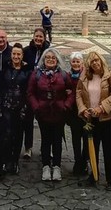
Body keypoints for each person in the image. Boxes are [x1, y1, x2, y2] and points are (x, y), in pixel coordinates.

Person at [77, 51, 111, 190]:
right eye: (92, 61)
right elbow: (78, 93)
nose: (95, 63)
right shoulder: (84, 77)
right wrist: (83, 109)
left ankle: (110, 179)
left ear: (101, 61)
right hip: (91, 119)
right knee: (91, 150)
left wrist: (101, 107)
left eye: (97, 60)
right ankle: (93, 175)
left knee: (109, 150)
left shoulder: (110, 75)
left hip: (107, 119)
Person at [27, 48, 70, 182]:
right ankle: (46, 166)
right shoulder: (37, 74)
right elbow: (30, 92)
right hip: (43, 112)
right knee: (45, 140)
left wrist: (66, 105)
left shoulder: (63, 74)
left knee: (57, 140)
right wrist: (36, 106)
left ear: (57, 60)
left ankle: (56, 166)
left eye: (53, 58)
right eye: (47, 58)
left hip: (59, 112)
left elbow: (72, 91)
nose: (50, 60)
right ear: (43, 60)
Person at [0, 43, 29, 174]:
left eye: (18, 54)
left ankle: (15, 161)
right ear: (11, 55)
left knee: (18, 135)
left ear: (22, 56)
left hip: (20, 107)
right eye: (14, 54)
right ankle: (5, 161)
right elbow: (0, 85)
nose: (16, 56)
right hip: (6, 105)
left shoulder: (27, 69)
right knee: (6, 134)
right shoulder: (5, 67)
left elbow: (28, 90)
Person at [22, 27, 50, 159]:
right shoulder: (26, 51)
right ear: (33, 37)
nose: (38, 39)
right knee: (28, 120)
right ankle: (28, 147)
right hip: (29, 90)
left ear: (44, 38)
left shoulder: (49, 51)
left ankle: (47, 147)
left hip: (44, 91)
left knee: (45, 121)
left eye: (41, 37)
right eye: (36, 36)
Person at [66, 52, 87, 176]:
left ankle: (84, 161)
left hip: (85, 111)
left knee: (86, 137)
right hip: (73, 112)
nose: (75, 63)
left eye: (78, 61)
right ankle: (77, 160)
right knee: (75, 138)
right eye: (73, 61)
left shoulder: (87, 75)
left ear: (82, 63)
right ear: (70, 63)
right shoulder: (68, 76)